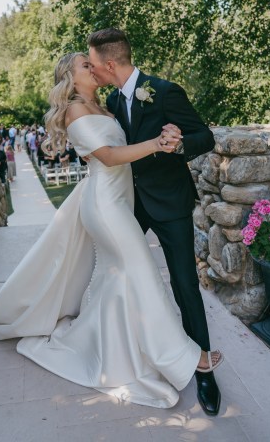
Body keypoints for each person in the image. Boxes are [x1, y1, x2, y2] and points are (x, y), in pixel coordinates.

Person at [0, 52, 223, 410]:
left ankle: (111, 346)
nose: (92, 68)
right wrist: (156, 145)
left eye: (92, 63)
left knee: (118, 279)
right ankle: (184, 357)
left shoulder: (109, 104)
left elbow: (151, 134)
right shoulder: (75, 110)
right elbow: (107, 156)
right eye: (84, 66)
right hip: (106, 206)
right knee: (142, 271)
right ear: (70, 79)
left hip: (125, 200)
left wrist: (170, 136)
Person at [88, 28, 220, 416]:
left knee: (184, 284)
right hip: (128, 203)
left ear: (110, 64)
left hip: (170, 203)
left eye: (94, 64)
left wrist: (180, 143)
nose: (92, 70)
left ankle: (205, 370)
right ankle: (124, 348)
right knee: (114, 270)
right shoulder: (111, 99)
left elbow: (204, 135)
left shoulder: (163, 91)